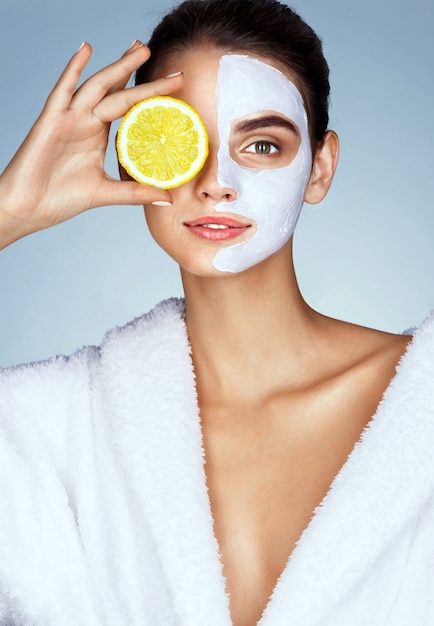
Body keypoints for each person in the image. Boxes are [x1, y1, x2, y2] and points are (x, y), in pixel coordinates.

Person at [0, 0, 433, 624]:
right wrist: (11, 215)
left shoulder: (422, 404)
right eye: (184, 138)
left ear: (320, 166)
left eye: (260, 144)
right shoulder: (54, 430)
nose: (216, 181)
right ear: (133, 158)